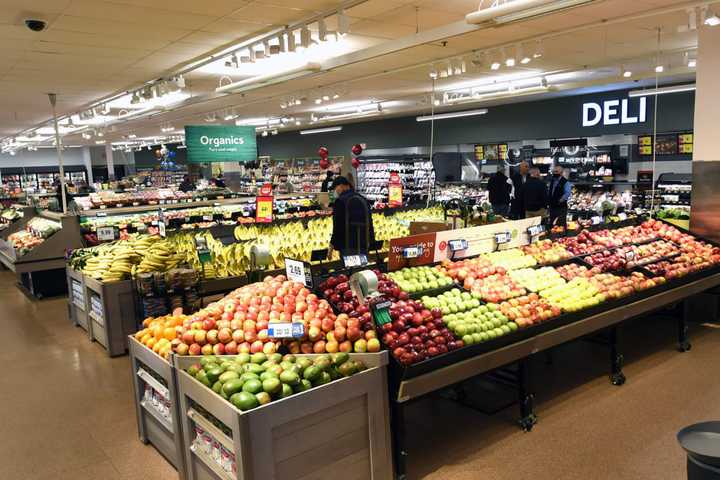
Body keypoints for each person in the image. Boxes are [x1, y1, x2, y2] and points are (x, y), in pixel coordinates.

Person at [328, 176, 375, 258]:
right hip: (363, 243)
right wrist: (371, 241)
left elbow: (338, 226)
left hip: (347, 245)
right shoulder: (363, 199)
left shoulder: (340, 202)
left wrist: (332, 245)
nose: (336, 191)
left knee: (349, 270)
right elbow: (370, 222)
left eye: (335, 188)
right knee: (361, 269)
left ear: (341, 186)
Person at [548, 164, 572, 229]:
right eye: (554, 171)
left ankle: (563, 237)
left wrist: (559, 201)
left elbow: (567, 193)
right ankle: (552, 237)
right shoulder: (552, 180)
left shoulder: (565, 182)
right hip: (552, 207)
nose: (554, 173)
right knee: (552, 224)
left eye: (556, 171)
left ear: (561, 173)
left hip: (561, 207)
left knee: (561, 225)